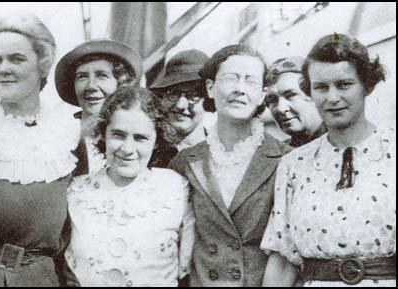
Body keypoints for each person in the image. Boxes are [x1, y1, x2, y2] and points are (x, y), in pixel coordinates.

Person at [261, 33, 395, 287]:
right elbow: (282, 260)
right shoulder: (294, 165)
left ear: (367, 85)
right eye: (321, 87)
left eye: (344, 84)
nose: (332, 98)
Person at [0, 15, 87, 287]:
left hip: (42, 279)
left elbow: (74, 229)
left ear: (42, 65)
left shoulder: (67, 134)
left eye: (16, 59)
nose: (3, 69)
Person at [169, 44, 292, 287]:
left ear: (262, 94)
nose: (239, 89)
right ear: (210, 88)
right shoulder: (183, 163)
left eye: (250, 81)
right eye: (230, 79)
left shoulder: (287, 160)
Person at [63, 86, 195, 287]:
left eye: (141, 138)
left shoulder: (175, 190)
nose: (128, 149)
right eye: (118, 134)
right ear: (103, 134)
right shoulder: (77, 192)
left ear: (157, 141)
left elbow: (188, 269)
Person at [55, 39, 143, 173]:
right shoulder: (60, 137)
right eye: (82, 77)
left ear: (121, 83)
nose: (91, 86)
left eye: (102, 76)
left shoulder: (137, 137)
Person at [149, 49, 215, 168]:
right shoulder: (147, 151)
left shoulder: (219, 153)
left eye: (194, 95)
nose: (181, 105)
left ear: (208, 100)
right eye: (173, 93)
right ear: (162, 97)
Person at [264, 56, 326, 147]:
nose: (281, 109)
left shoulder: (347, 145)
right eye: (272, 100)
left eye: (290, 95)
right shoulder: (278, 156)